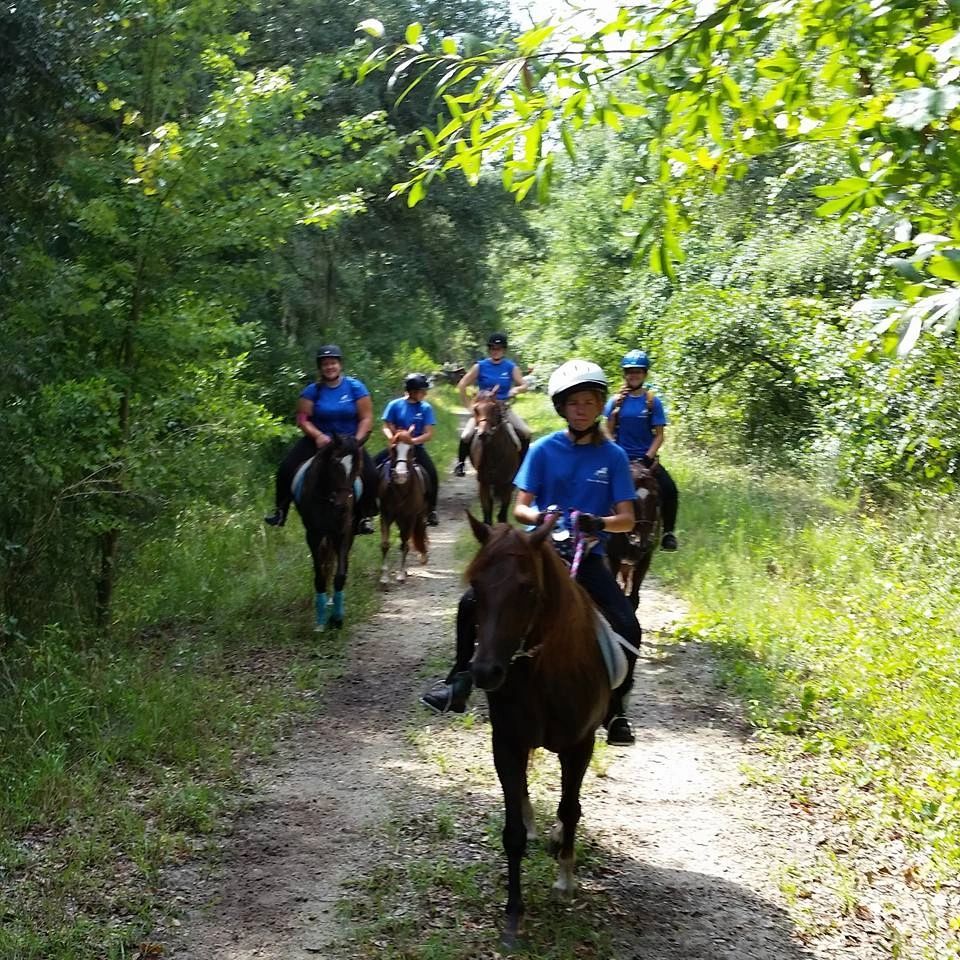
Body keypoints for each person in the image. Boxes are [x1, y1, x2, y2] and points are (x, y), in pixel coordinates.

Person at [422, 359, 642, 746]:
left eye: (590, 402)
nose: (581, 408)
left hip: (586, 556)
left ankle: (616, 709)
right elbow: (520, 508)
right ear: (562, 406)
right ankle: (458, 681)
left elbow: (626, 519)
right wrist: (541, 516)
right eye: (574, 402)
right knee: (471, 602)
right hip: (537, 551)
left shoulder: (614, 457)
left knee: (627, 624)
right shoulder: (542, 449)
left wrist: (599, 523)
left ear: (600, 406)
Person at [264, 344, 379, 533]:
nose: (330, 367)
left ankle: (365, 516)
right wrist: (317, 436)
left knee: (371, 474)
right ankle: (280, 511)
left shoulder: (355, 388)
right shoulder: (312, 391)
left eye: (333, 363)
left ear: (340, 365)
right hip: (319, 441)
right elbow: (302, 418)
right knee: (285, 468)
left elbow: (366, 417)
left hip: (348, 442)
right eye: (325, 364)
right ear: (320, 367)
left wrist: (356, 441)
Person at [605, 350, 679, 551]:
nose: (633, 376)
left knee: (670, 490)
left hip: (646, 459)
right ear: (624, 375)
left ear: (644, 374)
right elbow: (608, 432)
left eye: (637, 372)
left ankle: (668, 533)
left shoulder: (652, 401)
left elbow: (659, 435)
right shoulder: (614, 402)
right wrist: (615, 455)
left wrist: (648, 458)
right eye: (630, 372)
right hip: (621, 460)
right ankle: (595, 529)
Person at [453, 332, 532, 477]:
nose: (496, 351)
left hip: (503, 408)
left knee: (525, 432)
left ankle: (524, 467)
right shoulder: (480, 366)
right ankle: (461, 464)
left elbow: (525, 385)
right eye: (493, 348)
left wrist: (516, 389)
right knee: (466, 435)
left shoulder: (510, 367)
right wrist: (469, 407)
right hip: (483, 409)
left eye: (499, 348)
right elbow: (462, 384)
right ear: (489, 349)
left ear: (504, 350)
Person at [376, 373, 440, 526]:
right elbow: (386, 426)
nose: (424, 394)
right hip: (396, 448)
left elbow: (428, 433)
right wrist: (392, 438)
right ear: (411, 391)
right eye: (421, 391)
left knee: (432, 474)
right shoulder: (395, 405)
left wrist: (412, 442)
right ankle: (369, 508)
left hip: (415, 448)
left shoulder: (425, 408)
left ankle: (431, 509)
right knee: (372, 468)